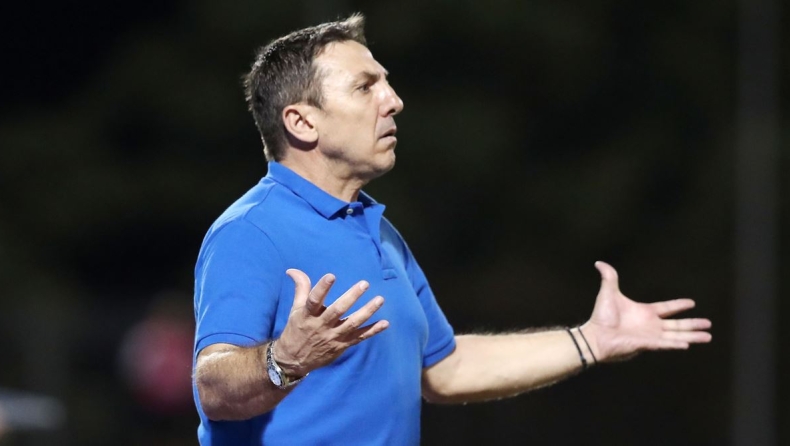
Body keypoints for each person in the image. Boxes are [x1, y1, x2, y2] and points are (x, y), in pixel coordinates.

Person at [192, 13, 712, 445]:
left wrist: (591, 340)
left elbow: (445, 369)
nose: (393, 100)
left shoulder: (377, 230)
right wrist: (283, 361)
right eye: (365, 86)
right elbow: (211, 385)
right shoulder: (250, 230)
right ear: (302, 122)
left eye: (385, 82)